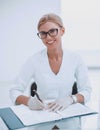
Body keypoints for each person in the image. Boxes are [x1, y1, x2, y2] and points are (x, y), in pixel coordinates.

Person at [10, 13, 92, 130]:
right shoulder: (33, 60)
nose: (48, 37)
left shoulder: (76, 58)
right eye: (43, 33)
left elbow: (87, 91)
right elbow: (14, 90)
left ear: (62, 31)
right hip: (42, 120)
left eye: (52, 31)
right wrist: (29, 101)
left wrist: (71, 99)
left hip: (69, 120)